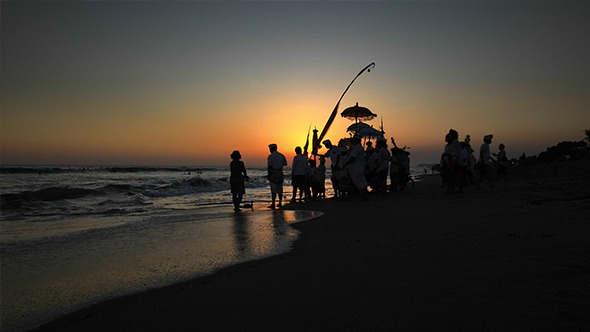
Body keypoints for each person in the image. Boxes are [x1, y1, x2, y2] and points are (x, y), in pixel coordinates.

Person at [267, 143, 287, 209]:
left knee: (273, 189)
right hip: (280, 172)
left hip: (273, 172)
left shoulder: (270, 156)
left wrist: (269, 175)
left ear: (271, 149)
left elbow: (269, 166)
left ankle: (273, 203)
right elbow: (285, 163)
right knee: (280, 188)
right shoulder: (281, 155)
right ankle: (280, 202)